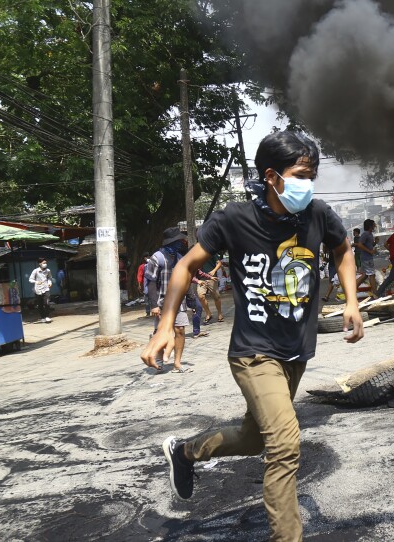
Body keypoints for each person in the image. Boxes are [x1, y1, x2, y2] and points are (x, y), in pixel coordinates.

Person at [141, 131, 364, 541]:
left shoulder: (317, 214)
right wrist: (164, 326)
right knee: (284, 443)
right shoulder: (234, 218)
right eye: (300, 174)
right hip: (253, 352)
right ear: (271, 177)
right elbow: (185, 266)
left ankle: (186, 452)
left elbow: (343, 249)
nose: (307, 184)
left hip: (296, 351)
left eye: (311, 175)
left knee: (253, 437)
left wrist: (351, 300)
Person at [145, 227, 190, 373]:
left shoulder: (180, 258)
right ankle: (158, 361)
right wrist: (154, 305)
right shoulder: (156, 258)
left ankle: (177, 363)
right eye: (178, 241)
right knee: (160, 332)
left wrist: (191, 298)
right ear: (171, 242)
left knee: (180, 330)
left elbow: (185, 279)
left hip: (179, 302)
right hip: (162, 302)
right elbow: (150, 282)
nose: (181, 243)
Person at [355, 218, 379, 299]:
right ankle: (375, 294)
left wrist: (375, 242)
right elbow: (360, 245)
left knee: (365, 275)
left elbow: (369, 245)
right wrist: (370, 251)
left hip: (367, 257)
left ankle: (352, 289)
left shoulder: (370, 234)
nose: (375, 226)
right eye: (373, 224)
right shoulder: (365, 234)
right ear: (370, 226)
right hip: (366, 258)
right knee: (371, 275)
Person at [196, 257, 224, 324]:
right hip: (200, 279)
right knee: (201, 296)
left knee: (216, 297)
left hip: (211, 277)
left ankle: (220, 313)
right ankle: (208, 314)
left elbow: (219, 263)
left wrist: (214, 270)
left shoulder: (211, 252)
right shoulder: (196, 252)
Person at [29, 257, 53, 323]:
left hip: (46, 288)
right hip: (38, 290)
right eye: (43, 263)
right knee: (40, 304)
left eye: (46, 263)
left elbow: (50, 278)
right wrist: (36, 282)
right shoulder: (35, 271)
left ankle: (47, 316)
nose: (45, 264)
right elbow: (30, 279)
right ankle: (42, 317)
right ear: (40, 264)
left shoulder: (48, 271)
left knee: (47, 303)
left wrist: (49, 283)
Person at [137, 252, 151, 317]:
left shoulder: (152, 264)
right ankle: (148, 312)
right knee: (148, 299)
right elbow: (140, 275)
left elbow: (139, 276)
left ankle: (149, 312)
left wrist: (139, 284)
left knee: (148, 299)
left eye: (148, 257)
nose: (148, 258)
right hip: (148, 285)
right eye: (147, 257)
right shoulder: (142, 266)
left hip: (150, 285)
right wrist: (139, 284)